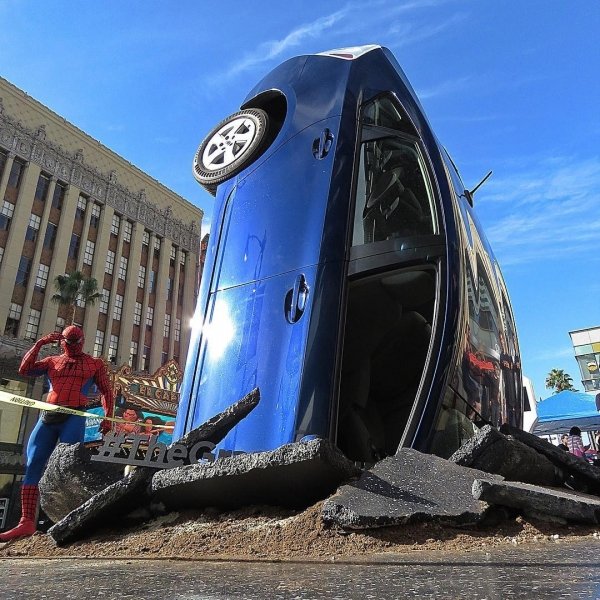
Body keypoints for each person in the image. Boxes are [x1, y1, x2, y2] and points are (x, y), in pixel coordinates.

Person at [0, 326, 114, 542]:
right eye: (68, 342)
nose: (72, 346)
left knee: (68, 466)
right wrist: (40, 343)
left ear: (82, 341)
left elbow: (107, 391)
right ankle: (26, 521)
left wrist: (108, 417)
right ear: (61, 341)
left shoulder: (94, 363)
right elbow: (24, 369)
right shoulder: (52, 361)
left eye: (75, 342)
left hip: (74, 416)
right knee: (33, 464)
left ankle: (74, 516)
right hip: (49, 417)